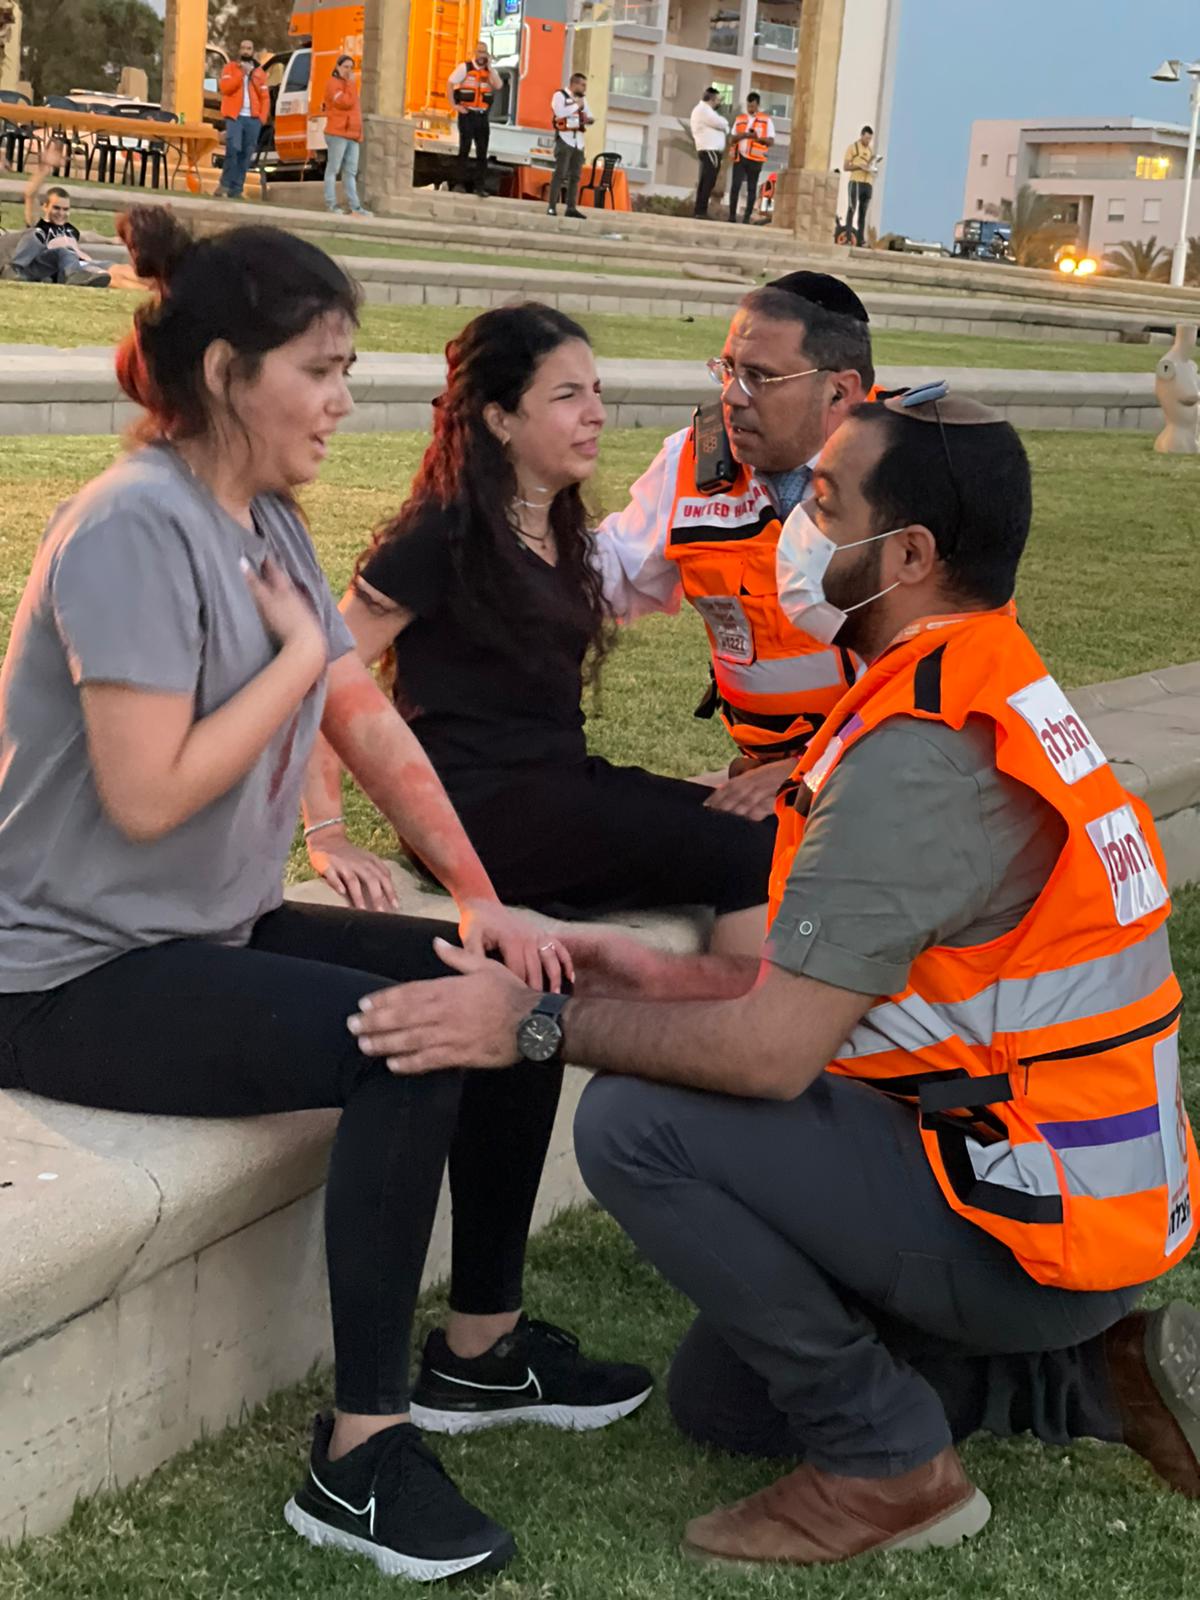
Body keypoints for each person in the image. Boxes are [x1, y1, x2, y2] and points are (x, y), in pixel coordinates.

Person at [347, 387, 1200, 1569]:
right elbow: (849, 1002)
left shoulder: (921, 751)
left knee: (635, 1124)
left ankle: (889, 1467)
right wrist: (648, 976)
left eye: (826, 502)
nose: (794, 524)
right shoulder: (983, 678)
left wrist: (533, 1022)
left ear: (908, 554)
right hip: (1055, 1185)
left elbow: (771, 1053)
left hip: (1028, 1217)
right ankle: (1082, 1377)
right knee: (727, 1399)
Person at [0, 209, 651, 1584]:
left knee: (507, 981)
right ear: (226, 372)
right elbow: (146, 794)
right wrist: (297, 662)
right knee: (409, 1042)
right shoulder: (130, 527)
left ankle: (482, 1349)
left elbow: (367, 720)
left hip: (206, 926)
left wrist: (483, 899)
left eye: (348, 369)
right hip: (62, 973)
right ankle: (359, 1456)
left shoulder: (268, 524)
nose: (345, 399)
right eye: (321, 369)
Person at [302, 302, 774, 954]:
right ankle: (741, 1017)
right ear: (499, 418)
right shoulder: (443, 534)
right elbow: (323, 673)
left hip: (558, 790)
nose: (596, 413)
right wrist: (326, 832)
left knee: (770, 822)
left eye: (596, 391)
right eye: (567, 395)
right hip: (480, 818)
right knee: (752, 851)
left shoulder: (557, 532)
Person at [594, 272, 875, 824]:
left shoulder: (910, 471)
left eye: (759, 377)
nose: (731, 395)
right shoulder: (693, 459)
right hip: (766, 775)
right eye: (728, 369)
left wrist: (812, 770)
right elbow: (607, 574)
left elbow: (940, 679)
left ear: (839, 392)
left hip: (885, 778)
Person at [5, 141, 111, 287]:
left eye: (65, 209)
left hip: (78, 262)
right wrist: (45, 167)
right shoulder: (39, 227)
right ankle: (73, 277)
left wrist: (113, 240)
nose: (61, 213)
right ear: (45, 207)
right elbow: (30, 194)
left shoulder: (69, 230)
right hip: (51, 266)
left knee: (111, 266)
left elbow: (88, 235)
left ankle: (81, 276)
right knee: (64, 252)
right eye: (56, 208)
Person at [217, 38, 269, 201]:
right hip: (235, 116)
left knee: (246, 154)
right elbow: (225, 88)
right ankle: (224, 185)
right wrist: (241, 74)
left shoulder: (259, 72)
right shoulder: (230, 68)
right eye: (243, 48)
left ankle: (236, 189)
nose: (246, 51)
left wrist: (261, 118)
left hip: (253, 119)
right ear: (239, 51)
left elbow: (265, 97)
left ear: (253, 51)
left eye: (249, 48)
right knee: (233, 149)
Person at [448, 42, 501, 197]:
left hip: (482, 116)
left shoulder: (489, 72)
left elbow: (498, 85)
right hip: (467, 114)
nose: (481, 55)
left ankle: (479, 187)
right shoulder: (465, 68)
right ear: (474, 53)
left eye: (484, 52)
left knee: (482, 152)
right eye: (479, 52)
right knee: (464, 149)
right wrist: (454, 105)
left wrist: (490, 68)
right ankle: (459, 184)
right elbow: (450, 83)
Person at [322, 53, 371, 217]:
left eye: (351, 67)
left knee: (350, 172)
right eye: (345, 67)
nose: (348, 70)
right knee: (333, 169)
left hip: (352, 135)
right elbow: (345, 102)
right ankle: (331, 204)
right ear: (337, 67)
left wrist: (359, 134)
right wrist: (350, 83)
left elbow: (355, 110)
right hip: (337, 133)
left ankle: (355, 207)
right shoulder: (333, 83)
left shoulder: (351, 85)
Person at [548, 71, 593, 219]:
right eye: (583, 85)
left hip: (578, 142)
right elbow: (560, 112)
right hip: (565, 139)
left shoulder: (583, 100)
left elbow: (589, 115)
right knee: (560, 174)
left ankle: (571, 207)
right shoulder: (559, 95)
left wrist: (588, 119)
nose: (585, 88)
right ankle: (552, 206)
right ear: (574, 84)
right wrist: (576, 106)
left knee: (575, 176)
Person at [727, 91, 773, 224]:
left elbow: (771, 141)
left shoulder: (766, 120)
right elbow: (731, 138)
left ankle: (746, 218)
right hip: (740, 157)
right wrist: (744, 135)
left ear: (758, 105)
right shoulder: (740, 119)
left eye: (752, 106)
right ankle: (731, 216)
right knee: (735, 186)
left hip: (755, 159)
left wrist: (758, 138)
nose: (750, 109)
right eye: (748, 106)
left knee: (751, 188)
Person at [689, 85, 727, 219]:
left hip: (709, 150)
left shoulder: (705, 110)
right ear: (712, 99)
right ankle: (701, 211)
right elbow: (721, 123)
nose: (718, 103)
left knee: (706, 181)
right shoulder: (704, 110)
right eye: (717, 100)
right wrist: (725, 124)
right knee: (708, 182)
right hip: (710, 150)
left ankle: (699, 210)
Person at [843, 124, 879, 245]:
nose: (868, 141)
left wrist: (872, 167)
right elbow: (846, 167)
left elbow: (870, 166)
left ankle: (860, 240)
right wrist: (859, 166)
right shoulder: (853, 148)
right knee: (852, 209)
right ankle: (848, 237)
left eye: (870, 139)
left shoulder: (870, 151)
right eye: (866, 138)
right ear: (861, 135)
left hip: (867, 183)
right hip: (856, 182)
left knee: (863, 213)